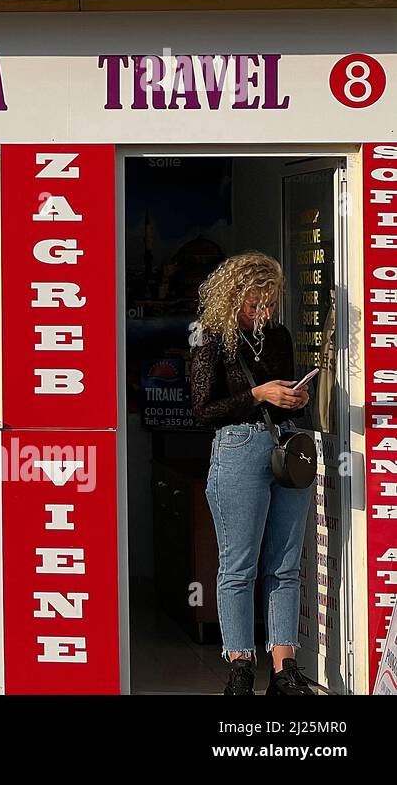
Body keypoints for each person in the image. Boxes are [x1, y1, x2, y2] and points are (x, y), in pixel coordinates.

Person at [190, 252, 313, 696]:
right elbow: (203, 410)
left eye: (271, 301)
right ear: (234, 298)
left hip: (286, 443)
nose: (264, 311)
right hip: (238, 446)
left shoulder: (277, 335)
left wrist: (295, 398)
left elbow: (285, 387)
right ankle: (240, 663)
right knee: (238, 565)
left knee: (285, 563)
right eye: (256, 302)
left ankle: (285, 667)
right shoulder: (213, 340)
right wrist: (258, 393)